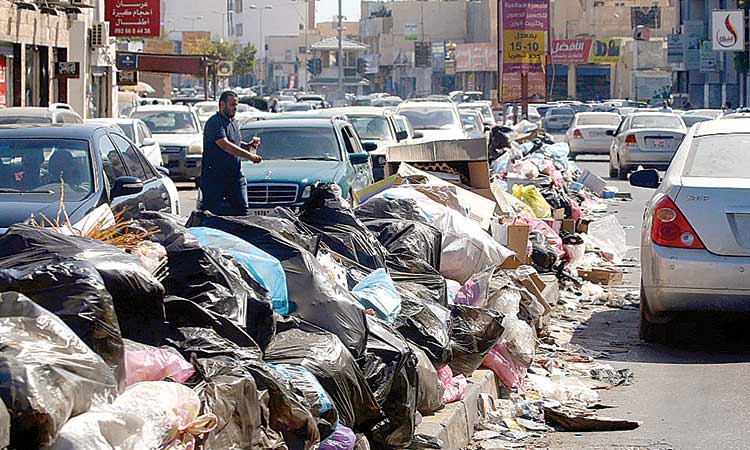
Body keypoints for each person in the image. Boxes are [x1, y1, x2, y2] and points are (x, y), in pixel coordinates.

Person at [201, 90, 262, 216]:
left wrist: (248, 146)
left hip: (234, 175)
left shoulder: (233, 122)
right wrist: (250, 156)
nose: (235, 108)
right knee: (212, 214)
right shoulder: (215, 123)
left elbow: (235, 143)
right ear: (222, 105)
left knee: (242, 211)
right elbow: (224, 145)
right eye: (232, 105)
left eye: (236, 105)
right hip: (215, 178)